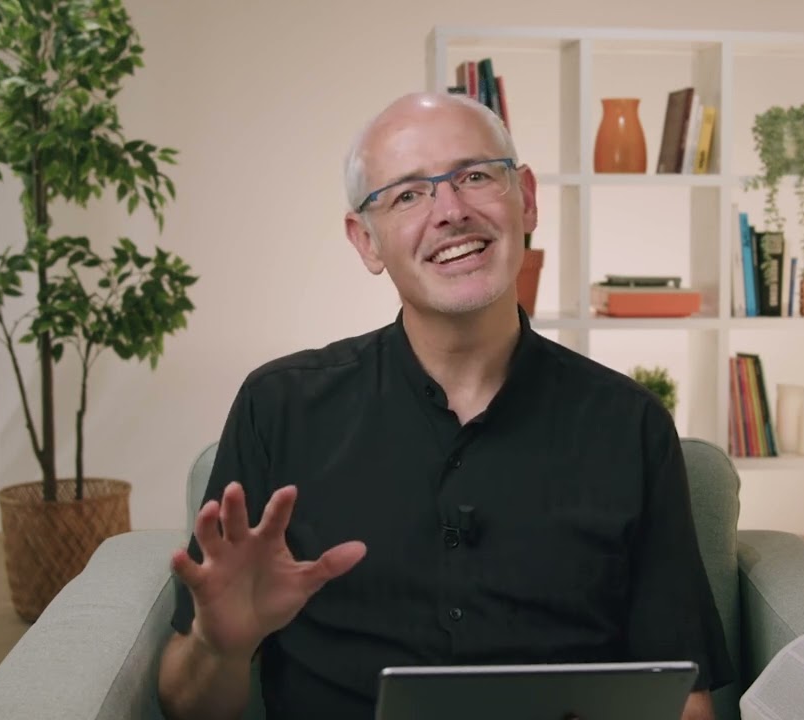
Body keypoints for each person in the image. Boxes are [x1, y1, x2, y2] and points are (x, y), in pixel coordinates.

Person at [157, 91, 735, 720]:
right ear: (366, 241)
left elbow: (685, 702)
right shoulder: (278, 408)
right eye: (407, 195)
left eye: (476, 176)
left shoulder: (629, 425)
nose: (451, 211)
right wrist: (220, 647)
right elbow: (190, 707)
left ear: (527, 199)